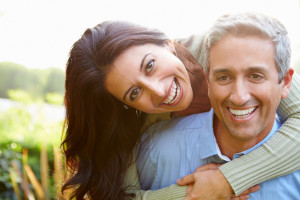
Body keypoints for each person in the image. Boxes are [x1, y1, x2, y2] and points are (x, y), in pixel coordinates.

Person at [61, 18, 300, 200]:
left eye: (150, 65)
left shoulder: (225, 46)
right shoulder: (141, 128)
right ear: (126, 105)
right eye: (135, 93)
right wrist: (191, 194)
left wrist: (228, 180)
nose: (158, 90)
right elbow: (126, 195)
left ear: (167, 43)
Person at [137, 12, 299, 199]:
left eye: (256, 76)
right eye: (224, 77)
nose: (239, 97)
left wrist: (229, 179)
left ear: (286, 83)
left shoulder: (197, 48)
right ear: (208, 82)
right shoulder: (153, 151)